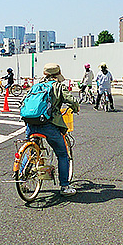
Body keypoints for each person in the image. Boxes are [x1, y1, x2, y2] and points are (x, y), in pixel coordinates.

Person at [23, 63, 80, 196]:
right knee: (62, 154)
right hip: (48, 125)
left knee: (30, 152)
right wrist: (76, 108)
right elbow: (70, 100)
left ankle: (22, 179)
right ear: (57, 74)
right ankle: (65, 186)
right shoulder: (58, 86)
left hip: (30, 123)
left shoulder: (36, 86)